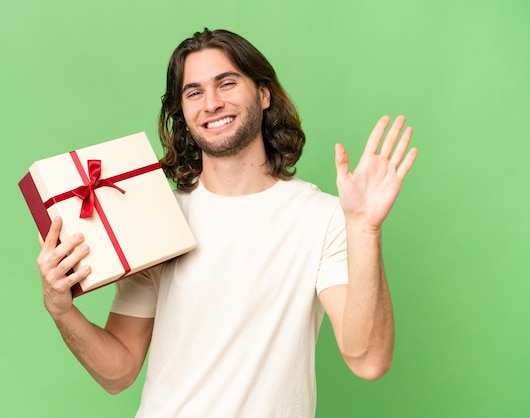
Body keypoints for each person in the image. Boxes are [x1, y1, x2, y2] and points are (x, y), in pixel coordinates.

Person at [36, 28, 418, 417]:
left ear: (263, 94)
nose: (212, 103)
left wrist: (365, 229)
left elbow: (367, 360)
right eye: (194, 92)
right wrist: (61, 309)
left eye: (227, 83)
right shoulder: (159, 219)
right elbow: (118, 373)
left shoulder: (324, 217)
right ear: (183, 112)